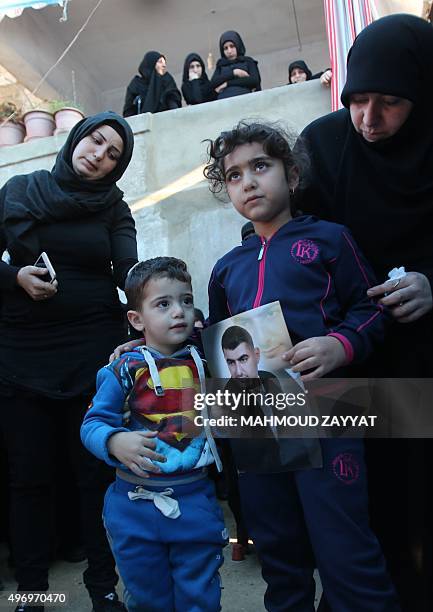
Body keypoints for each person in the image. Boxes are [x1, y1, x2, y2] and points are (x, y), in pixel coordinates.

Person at [204, 120, 400, 611]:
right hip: (258, 427)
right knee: (280, 554)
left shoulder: (331, 239)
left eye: (261, 167)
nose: (247, 181)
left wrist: (340, 345)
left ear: (291, 176)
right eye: (233, 175)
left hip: (328, 413)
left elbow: (372, 307)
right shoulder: (226, 268)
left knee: (345, 548)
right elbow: (215, 341)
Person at [297, 14, 433, 610]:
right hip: (352, 356)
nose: (368, 120)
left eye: (391, 103)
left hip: (426, 360)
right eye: (358, 100)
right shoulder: (325, 146)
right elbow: (284, 239)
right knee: (359, 499)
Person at [0, 111, 137, 612]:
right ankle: (33, 592)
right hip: (20, 358)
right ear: (76, 138)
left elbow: (129, 269)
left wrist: (165, 297)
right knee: (29, 478)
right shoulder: (19, 190)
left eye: (112, 155)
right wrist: (14, 279)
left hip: (91, 358)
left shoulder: (114, 209)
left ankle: (103, 589)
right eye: (95, 141)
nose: (98, 154)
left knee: (94, 478)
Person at [81, 257, 227, 612]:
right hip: (132, 508)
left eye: (186, 300)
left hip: (196, 501)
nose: (179, 311)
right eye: (163, 304)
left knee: (201, 599)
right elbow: (91, 424)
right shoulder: (123, 368)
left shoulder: (208, 363)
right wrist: (114, 441)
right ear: (136, 319)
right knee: (148, 600)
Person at [123, 51, 182, 117]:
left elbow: (174, 101)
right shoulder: (136, 85)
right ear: (151, 64)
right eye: (160, 62)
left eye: (164, 63)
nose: (164, 65)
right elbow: (129, 112)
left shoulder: (167, 80)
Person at [210, 31, 261, 100]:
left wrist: (227, 84)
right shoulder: (221, 64)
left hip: (245, 101)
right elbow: (213, 83)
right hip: (224, 103)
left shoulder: (248, 61)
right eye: (225, 48)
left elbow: (254, 80)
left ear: (238, 45)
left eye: (232, 46)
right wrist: (234, 73)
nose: (229, 51)